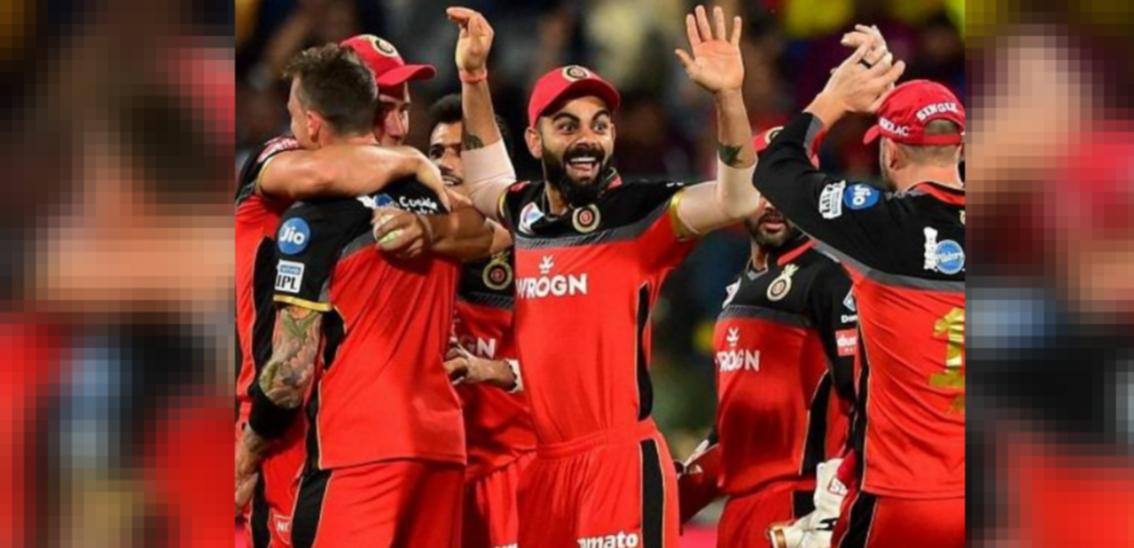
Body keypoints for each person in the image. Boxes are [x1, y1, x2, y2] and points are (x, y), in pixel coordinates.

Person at [435, 5, 760, 547]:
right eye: (567, 126)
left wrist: (728, 97)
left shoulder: (638, 214)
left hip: (618, 466)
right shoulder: (527, 213)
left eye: (600, 125)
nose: (587, 139)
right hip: (545, 469)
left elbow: (739, 199)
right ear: (535, 142)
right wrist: (473, 77)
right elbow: (488, 181)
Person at [234, 43, 492, 547]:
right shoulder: (290, 163)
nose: (397, 127)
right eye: (385, 108)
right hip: (291, 424)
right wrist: (415, 165)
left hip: (330, 428)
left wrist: (428, 225)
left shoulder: (400, 201)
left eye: (405, 110)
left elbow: (492, 229)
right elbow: (323, 171)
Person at [752, 31, 966, 548]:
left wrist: (833, 99)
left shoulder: (879, 226)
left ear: (890, 152)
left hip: (901, 498)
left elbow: (776, 170)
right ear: (960, 148)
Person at [677, 128, 858, 547]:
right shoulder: (735, 288)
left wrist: (835, 504)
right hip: (739, 510)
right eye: (761, 187)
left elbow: (865, 401)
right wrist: (677, 490)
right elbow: (730, 427)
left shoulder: (830, 278)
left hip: (800, 508)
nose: (774, 202)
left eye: (788, 185)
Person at [425, 93, 536, 548]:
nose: (445, 163)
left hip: (512, 471)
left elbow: (571, 367)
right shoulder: (417, 251)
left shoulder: (534, 249)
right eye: (436, 152)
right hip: (436, 474)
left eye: (461, 151)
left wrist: (491, 370)